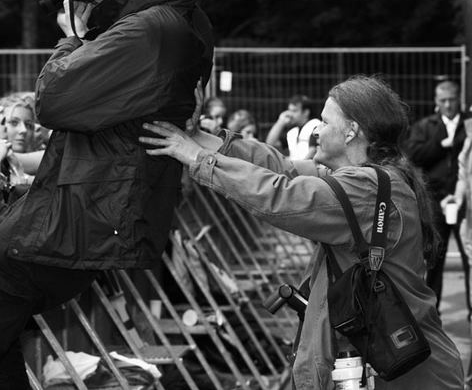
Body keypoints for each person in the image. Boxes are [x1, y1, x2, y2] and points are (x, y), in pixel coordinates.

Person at [0, 0, 213, 389]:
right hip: (83, 211)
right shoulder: (171, 19)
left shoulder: (150, 27)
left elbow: (55, 101)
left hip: (76, 219)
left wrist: (73, 40)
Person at [140, 75, 463, 389]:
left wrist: (198, 158)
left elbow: (281, 195)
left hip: (402, 373)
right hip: (402, 365)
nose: (316, 131)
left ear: (351, 131)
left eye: (324, 121)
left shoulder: (363, 188)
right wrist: (201, 137)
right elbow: (281, 167)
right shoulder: (371, 179)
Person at [403, 80, 469, 314]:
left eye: (452, 100)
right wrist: (441, 144)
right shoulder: (425, 126)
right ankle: (432, 313)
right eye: (443, 101)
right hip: (436, 200)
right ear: (436, 102)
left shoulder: (468, 124)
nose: (448, 105)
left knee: (468, 257)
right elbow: (414, 155)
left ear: (459, 99)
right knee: (434, 258)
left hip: (465, 200)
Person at [264, 94, 320, 160]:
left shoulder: (316, 125)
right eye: (289, 110)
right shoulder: (293, 132)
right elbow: (270, 143)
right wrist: (280, 121)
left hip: (308, 168)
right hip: (296, 168)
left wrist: (298, 168)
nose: (290, 114)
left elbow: (313, 152)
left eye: (294, 111)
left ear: (306, 112)